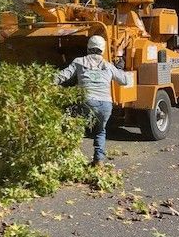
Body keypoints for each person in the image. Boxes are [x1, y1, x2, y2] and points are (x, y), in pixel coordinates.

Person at [55, 35, 129, 166]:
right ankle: (98, 161)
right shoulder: (108, 65)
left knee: (76, 127)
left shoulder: (79, 61)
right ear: (103, 49)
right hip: (106, 104)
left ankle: (72, 157)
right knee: (100, 131)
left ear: (88, 47)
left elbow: (63, 76)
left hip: (87, 101)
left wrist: (45, 81)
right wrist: (119, 68)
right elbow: (124, 81)